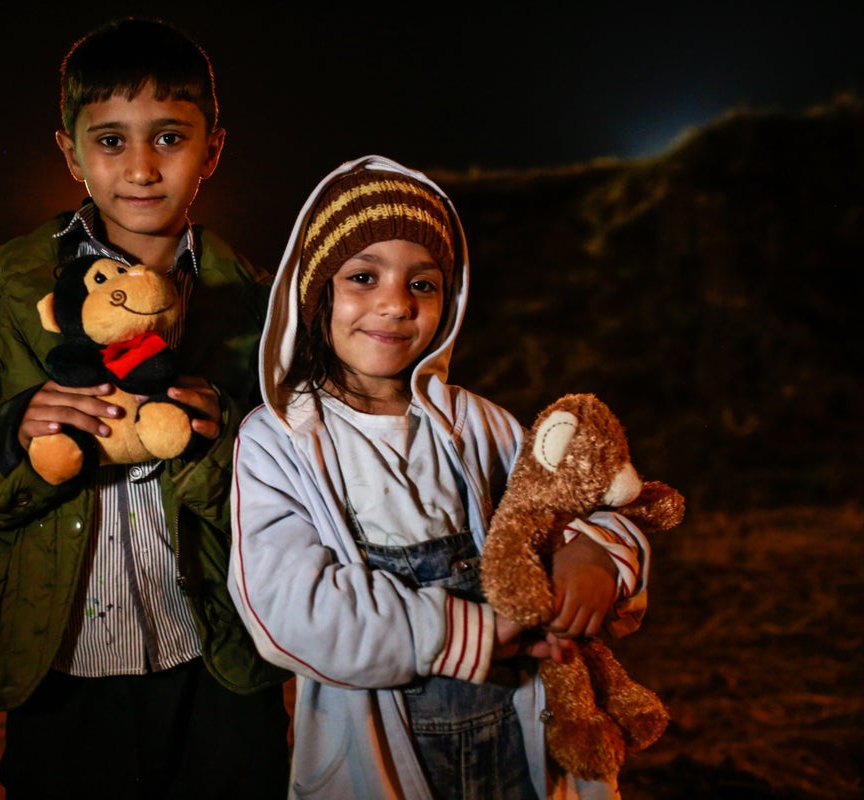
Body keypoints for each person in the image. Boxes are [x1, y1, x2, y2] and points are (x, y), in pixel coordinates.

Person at [0, 17, 290, 800]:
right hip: (59, 653)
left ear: (212, 149)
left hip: (217, 651)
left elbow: (306, 483)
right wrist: (11, 431)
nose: (141, 168)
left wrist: (222, 446)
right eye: (111, 141)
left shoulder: (257, 306)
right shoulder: (3, 288)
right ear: (70, 152)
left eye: (169, 137)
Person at [227, 155, 652, 800]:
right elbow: (290, 609)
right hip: (382, 754)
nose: (394, 304)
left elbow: (574, 498)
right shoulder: (278, 442)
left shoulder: (482, 424)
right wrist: (469, 630)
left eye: (421, 284)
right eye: (363, 277)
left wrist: (598, 554)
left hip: (520, 738)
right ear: (313, 295)